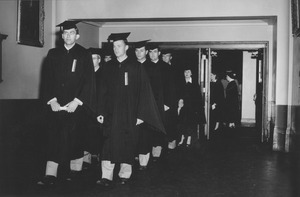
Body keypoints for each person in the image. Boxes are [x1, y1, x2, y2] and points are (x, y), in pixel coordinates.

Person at [96, 33, 165, 187]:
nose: (116, 49)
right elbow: (102, 91)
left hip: (130, 113)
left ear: (126, 47)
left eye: (119, 45)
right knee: (108, 144)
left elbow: (144, 92)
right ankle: (106, 176)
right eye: (114, 46)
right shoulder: (108, 67)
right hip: (110, 114)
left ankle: (124, 173)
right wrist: (100, 112)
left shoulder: (136, 67)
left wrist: (141, 115)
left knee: (127, 143)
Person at [38, 21, 96, 185]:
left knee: (76, 139)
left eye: (72, 33)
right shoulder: (53, 54)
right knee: (53, 139)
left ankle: (75, 171)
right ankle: (50, 174)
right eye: (65, 33)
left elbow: (89, 81)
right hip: (56, 106)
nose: (68, 36)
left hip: (75, 106)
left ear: (77, 36)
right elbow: (47, 80)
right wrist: (52, 101)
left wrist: (77, 102)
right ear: (61, 35)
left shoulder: (84, 54)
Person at [148, 43, 176, 161]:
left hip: (163, 103)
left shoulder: (166, 68)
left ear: (159, 53)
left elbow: (171, 88)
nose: (152, 54)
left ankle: (162, 150)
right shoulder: (145, 67)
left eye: (155, 52)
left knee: (164, 127)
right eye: (150, 52)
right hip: (149, 103)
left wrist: (167, 104)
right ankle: (154, 151)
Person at [134, 39, 158, 170]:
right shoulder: (131, 65)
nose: (139, 53)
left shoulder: (152, 67)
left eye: (142, 50)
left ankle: (144, 161)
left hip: (148, 105)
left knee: (145, 135)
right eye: (136, 50)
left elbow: (156, 90)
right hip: (134, 104)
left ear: (146, 52)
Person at [82, 48, 105, 169]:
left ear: (99, 60)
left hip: (100, 109)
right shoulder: (85, 74)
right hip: (87, 110)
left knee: (99, 135)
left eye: (95, 58)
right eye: (90, 59)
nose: (92, 61)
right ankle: (87, 159)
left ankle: (99, 157)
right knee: (86, 134)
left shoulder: (104, 74)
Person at [177, 67, 206, 148]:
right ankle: (182, 139)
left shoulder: (195, 84)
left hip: (192, 108)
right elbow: (178, 94)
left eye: (188, 72)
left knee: (190, 124)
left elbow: (198, 98)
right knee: (182, 123)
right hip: (183, 107)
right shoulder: (181, 83)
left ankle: (189, 139)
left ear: (191, 73)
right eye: (185, 72)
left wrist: (197, 109)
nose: (186, 73)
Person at [161, 49, 181, 150]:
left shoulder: (175, 69)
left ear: (171, 57)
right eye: (163, 56)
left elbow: (178, 87)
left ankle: (172, 143)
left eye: (167, 56)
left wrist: (179, 100)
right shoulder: (159, 68)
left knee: (171, 123)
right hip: (161, 101)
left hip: (172, 101)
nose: (165, 58)